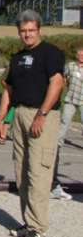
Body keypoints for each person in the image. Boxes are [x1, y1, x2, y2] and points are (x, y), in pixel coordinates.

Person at [0, 10, 64, 237]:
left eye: (31, 30)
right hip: (20, 114)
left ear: (39, 30)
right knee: (21, 171)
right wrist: (2, 120)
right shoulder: (17, 58)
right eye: (23, 31)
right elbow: (8, 90)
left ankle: (38, 228)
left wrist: (41, 114)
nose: (27, 35)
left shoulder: (51, 53)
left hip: (42, 115)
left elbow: (57, 83)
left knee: (38, 172)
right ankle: (28, 222)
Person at [50, 45, 83, 200]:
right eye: (80, 54)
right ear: (77, 55)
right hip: (71, 98)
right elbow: (62, 77)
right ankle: (59, 140)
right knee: (64, 121)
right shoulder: (70, 66)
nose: (81, 56)